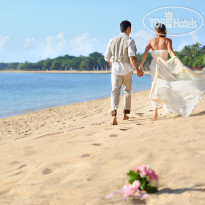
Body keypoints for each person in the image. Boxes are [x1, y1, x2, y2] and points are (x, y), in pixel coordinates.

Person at [139, 23, 205, 121]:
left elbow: (144, 54)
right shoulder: (168, 40)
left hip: (154, 66)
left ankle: (156, 112)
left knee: (155, 86)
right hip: (164, 65)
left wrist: (140, 66)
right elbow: (170, 52)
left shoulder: (151, 42)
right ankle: (176, 106)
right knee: (169, 84)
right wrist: (178, 62)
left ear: (156, 31)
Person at [104, 20, 144, 125]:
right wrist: (137, 70)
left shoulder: (111, 40)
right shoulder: (130, 40)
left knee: (114, 91)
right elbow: (132, 57)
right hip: (127, 70)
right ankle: (125, 115)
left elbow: (107, 57)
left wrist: (113, 65)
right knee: (127, 91)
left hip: (115, 70)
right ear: (128, 29)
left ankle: (114, 115)